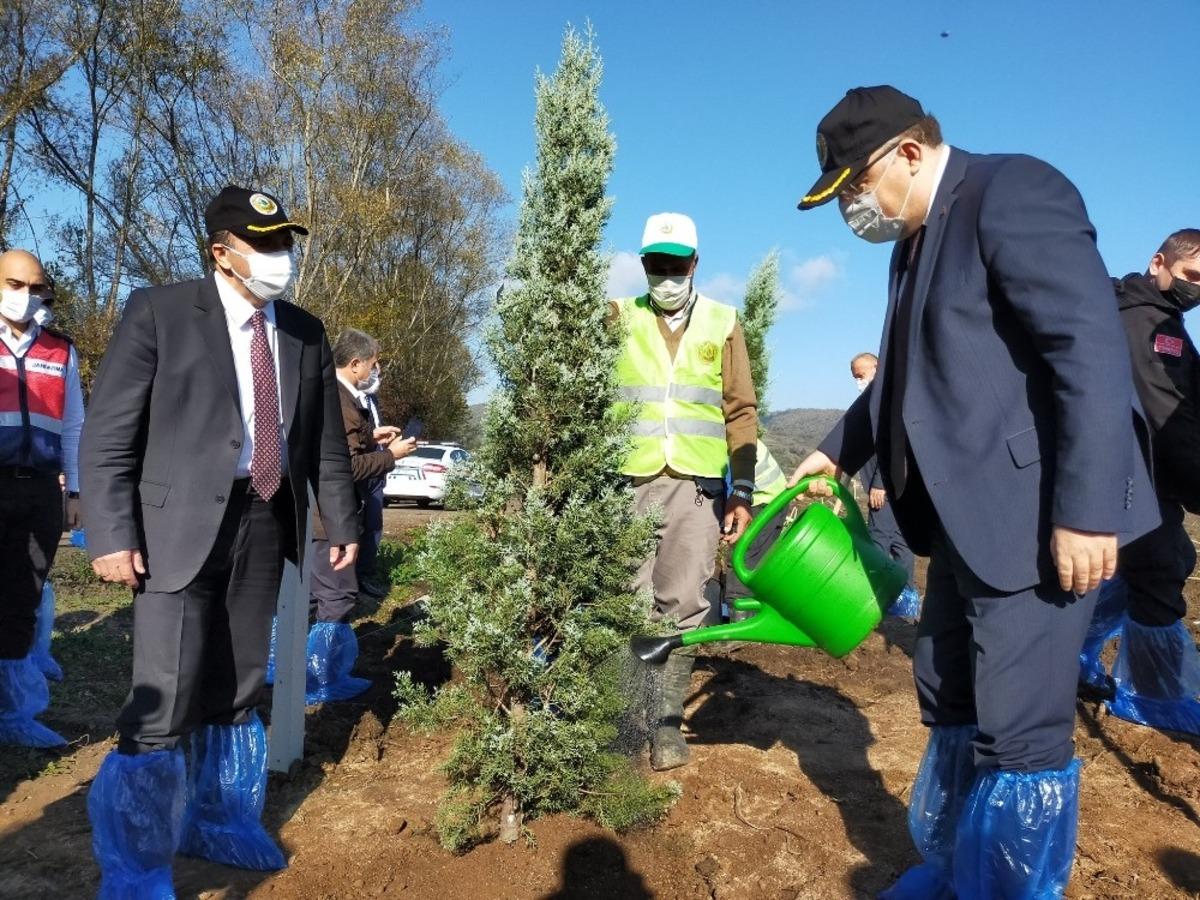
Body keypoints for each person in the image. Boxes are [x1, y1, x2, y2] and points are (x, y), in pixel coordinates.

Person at [790, 86, 1157, 898]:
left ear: (910, 153)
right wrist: (831, 455)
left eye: (855, 185)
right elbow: (899, 390)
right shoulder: (912, 245)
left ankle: (1011, 887)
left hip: (1036, 523)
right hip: (959, 523)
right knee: (949, 688)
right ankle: (962, 869)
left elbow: (1089, 347)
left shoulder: (1011, 192)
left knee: (1020, 728)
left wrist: (1088, 510)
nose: (854, 207)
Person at [80, 185, 359, 896]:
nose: (279, 258)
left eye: (284, 243)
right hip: (172, 530)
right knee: (164, 695)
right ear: (221, 251)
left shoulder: (302, 331)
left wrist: (340, 523)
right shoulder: (160, 312)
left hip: (264, 520)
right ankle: (139, 865)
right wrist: (109, 533)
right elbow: (109, 433)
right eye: (264, 245)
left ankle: (220, 819)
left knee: (237, 683)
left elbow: (325, 441)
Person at [612, 212, 757, 771]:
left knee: (686, 604)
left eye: (675, 266)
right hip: (628, 481)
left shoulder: (723, 322)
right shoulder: (618, 316)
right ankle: (627, 719)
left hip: (695, 488)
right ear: (643, 263)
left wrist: (739, 491)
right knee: (625, 599)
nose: (665, 275)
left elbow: (740, 411)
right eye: (655, 265)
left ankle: (666, 724)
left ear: (695, 264)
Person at [1079, 229, 1200, 735]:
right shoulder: (1151, 327)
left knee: (1130, 574)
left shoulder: (1154, 316)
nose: (1197, 288)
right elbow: (1166, 418)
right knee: (1160, 573)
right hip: (1138, 482)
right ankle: (1154, 699)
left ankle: (1073, 652)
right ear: (1159, 263)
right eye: (1192, 276)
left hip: (1139, 482)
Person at [306, 328, 415, 704]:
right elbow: (345, 466)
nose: (375, 369)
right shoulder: (340, 399)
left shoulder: (331, 394)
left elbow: (344, 445)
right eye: (372, 364)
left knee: (309, 596)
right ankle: (322, 679)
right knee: (336, 597)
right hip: (328, 518)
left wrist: (372, 437)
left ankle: (284, 668)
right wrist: (391, 456)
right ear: (355, 364)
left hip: (317, 517)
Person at [0, 249, 82, 748]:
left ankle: (14, 715)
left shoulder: (60, 350)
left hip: (40, 492)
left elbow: (74, 425)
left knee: (21, 599)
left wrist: (76, 490)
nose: (25, 296)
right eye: (14, 284)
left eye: (35, 287)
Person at [850, 351, 920, 618]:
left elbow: (891, 446)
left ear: (876, 368)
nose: (858, 381)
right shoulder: (884, 400)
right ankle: (907, 601)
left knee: (879, 541)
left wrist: (879, 483)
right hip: (897, 488)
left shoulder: (885, 403)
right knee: (901, 542)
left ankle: (880, 599)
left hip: (885, 488)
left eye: (860, 375)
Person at [723, 438, 788, 621]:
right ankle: (757, 616)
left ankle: (740, 624)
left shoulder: (721, 439)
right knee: (758, 561)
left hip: (760, 498)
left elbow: (727, 486)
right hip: (775, 495)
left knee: (741, 557)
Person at [356, 372, 390, 599]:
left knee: (374, 524)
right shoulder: (346, 398)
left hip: (377, 472)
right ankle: (347, 580)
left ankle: (365, 575)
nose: (376, 372)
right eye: (373, 365)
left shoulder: (373, 401)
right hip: (359, 470)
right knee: (353, 525)